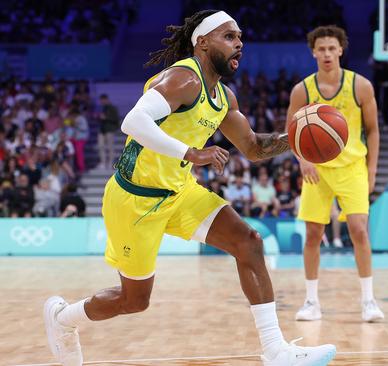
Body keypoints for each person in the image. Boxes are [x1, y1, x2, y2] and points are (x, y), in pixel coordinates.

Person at [43, 10, 335, 366]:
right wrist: (191, 152)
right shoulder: (184, 78)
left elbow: (254, 148)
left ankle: (276, 351)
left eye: (240, 37)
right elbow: (132, 121)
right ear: (203, 41)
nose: (239, 43)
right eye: (229, 36)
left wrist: (298, 138)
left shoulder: (224, 97)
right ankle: (62, 318)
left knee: (249, 243)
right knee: (135, 301)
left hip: (179, 192)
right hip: (135, 199)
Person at [286, 25, 383, 322]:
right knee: (313, 235)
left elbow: (373, 130)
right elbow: (291, 132)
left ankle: (368, 301)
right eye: (321, 48)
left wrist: (372, 171)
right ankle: (311, 302)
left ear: (341, 50)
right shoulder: (302, 90)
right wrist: (302, 159)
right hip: (317, 172)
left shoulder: (361, 86)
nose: (327, 53)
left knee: (359, 231)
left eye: (332, 48)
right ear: (313, 52)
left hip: (352, 168)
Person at [97, 94, 120, 169]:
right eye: (101, 101)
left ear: (106, 99)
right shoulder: (101, 108)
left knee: (110, 147)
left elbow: (116, 119)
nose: (102, 102)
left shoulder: (112, 108)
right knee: (101, 147)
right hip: (102, 130)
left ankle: (110, 162)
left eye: (103, 100)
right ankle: (103, 162)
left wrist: (106, 118)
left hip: (109, 130)